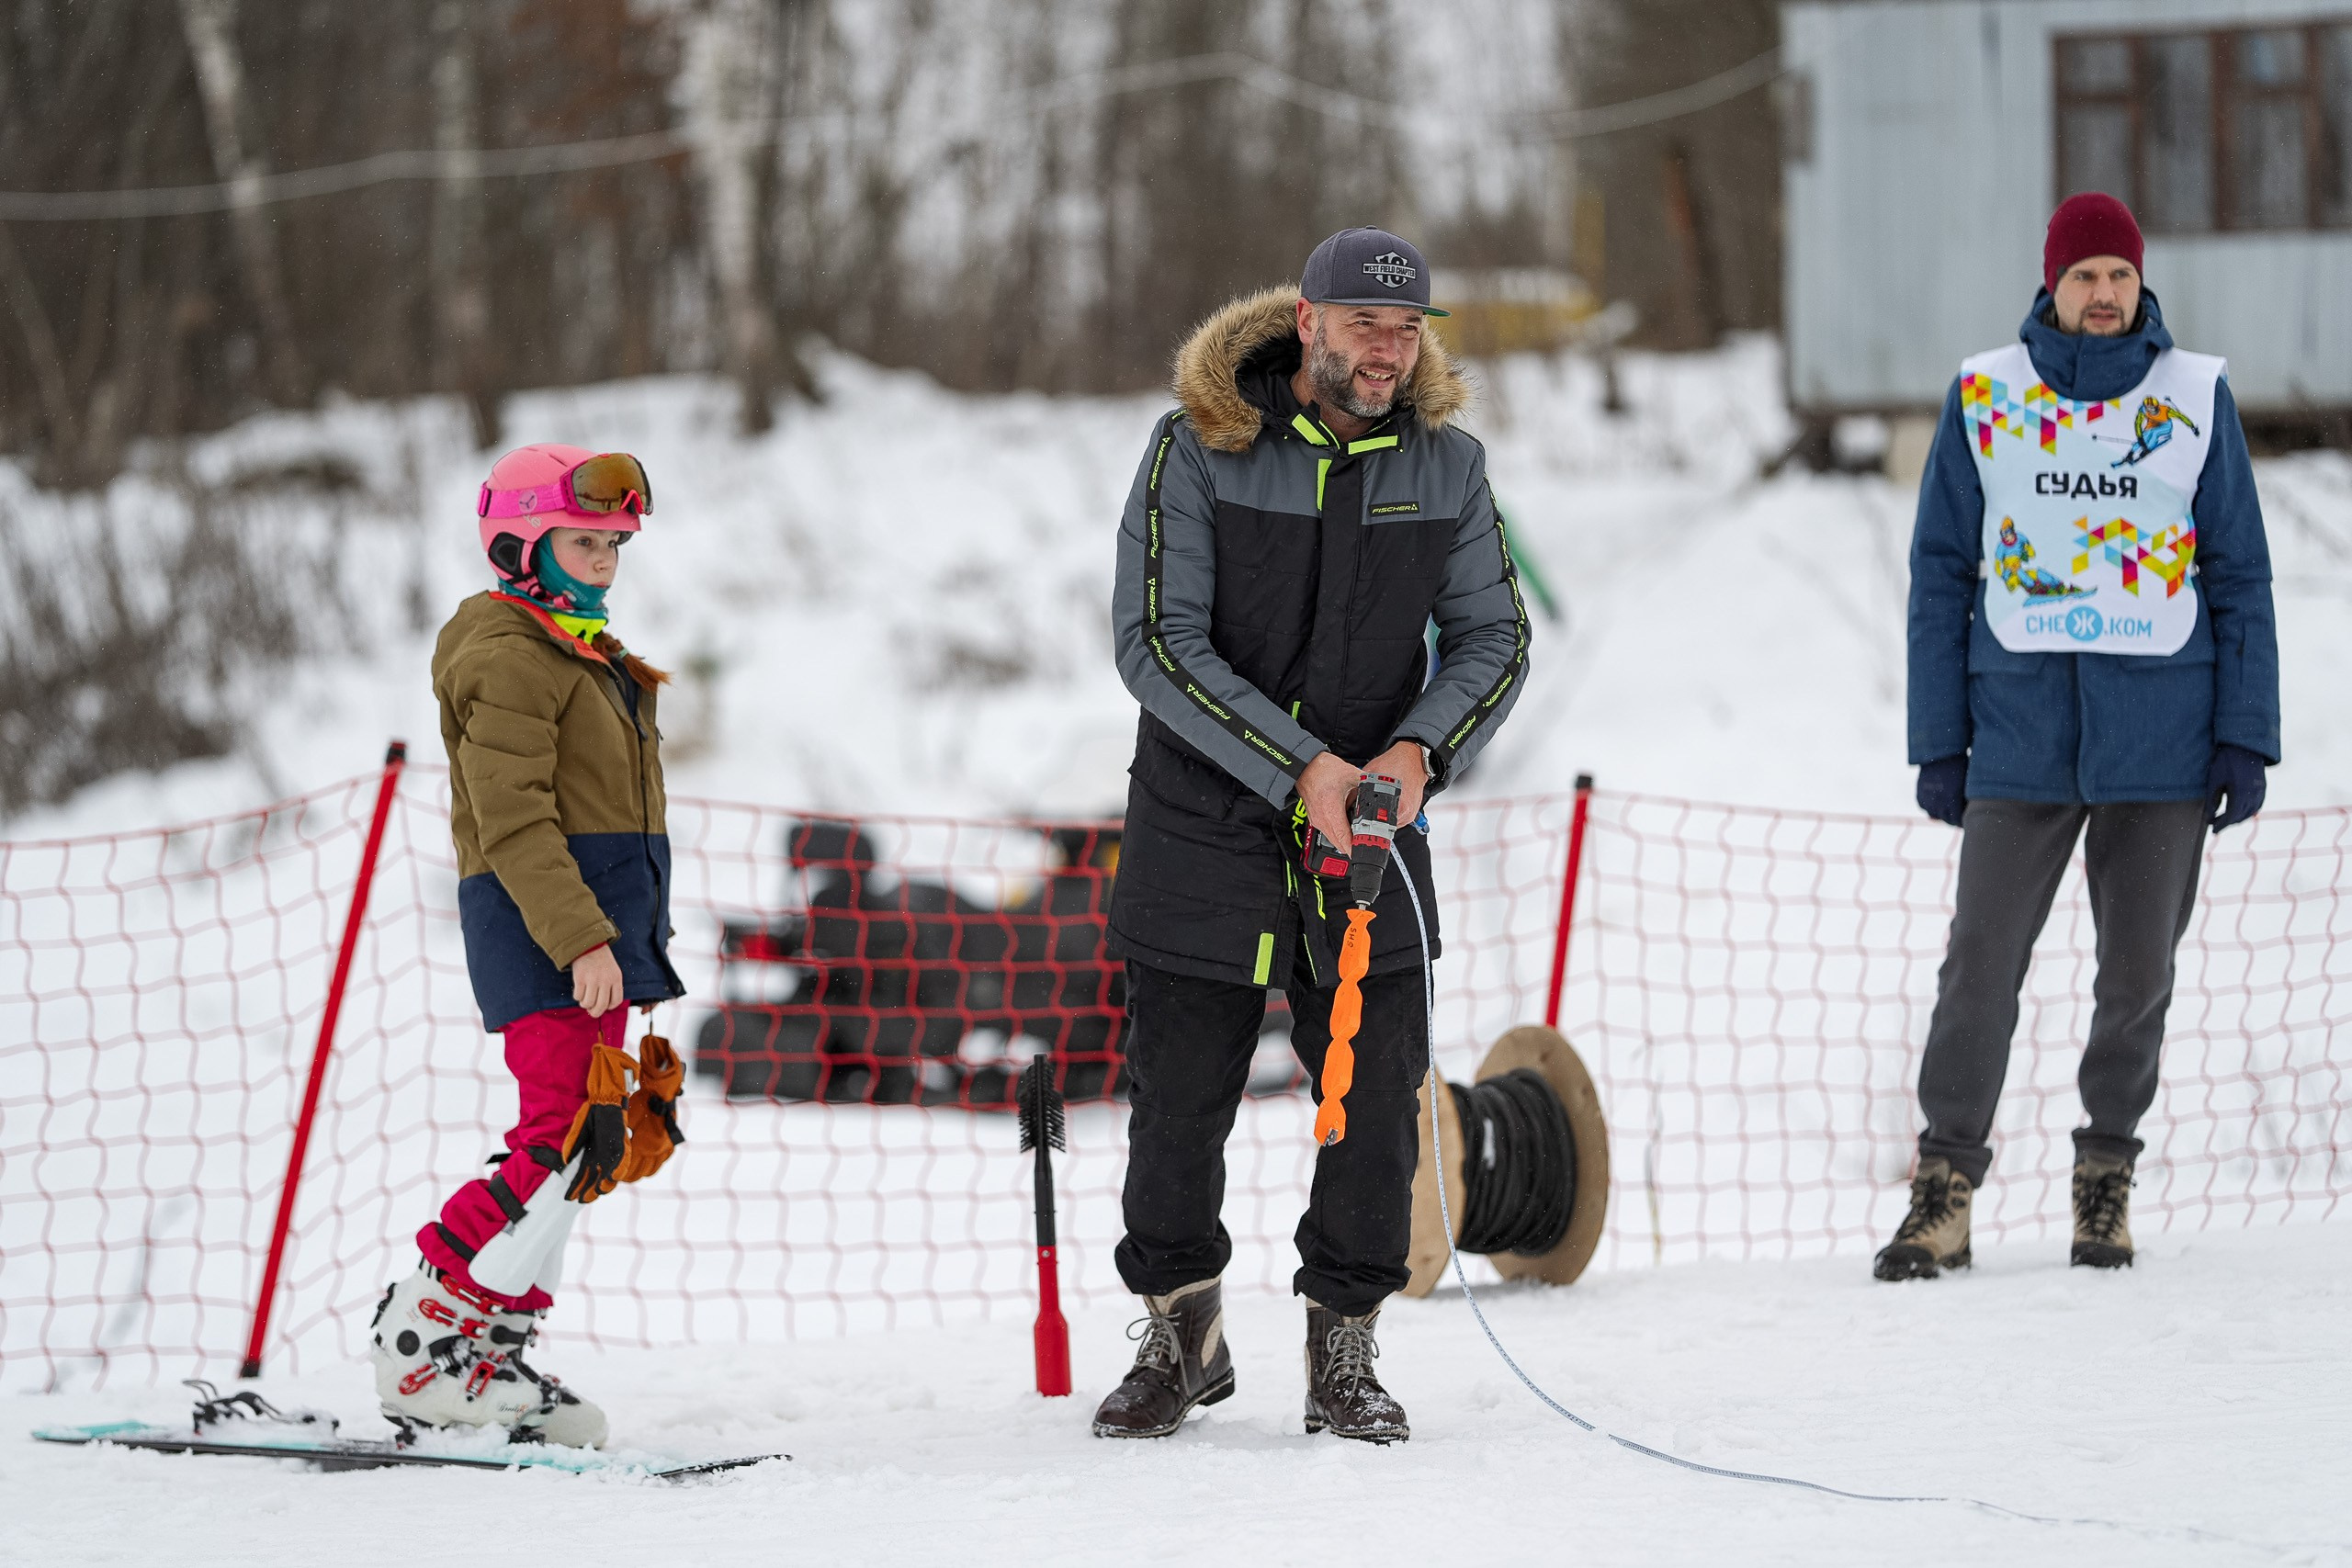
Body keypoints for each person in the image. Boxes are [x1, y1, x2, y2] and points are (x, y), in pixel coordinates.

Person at [1095, 229, 1531, 1441]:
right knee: (1178, 1104)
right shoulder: (1199, 444)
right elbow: (1157, 642)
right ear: (1306, 322)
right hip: (1202, 824)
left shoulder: (1449, 465)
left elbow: (1496, 641)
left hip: (1375, 833)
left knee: (1374, 1102)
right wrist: (1304, 771)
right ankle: (1182, 1333)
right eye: (1362, 325)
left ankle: (1346, 1349)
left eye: (1407, 329)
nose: (1388, 350)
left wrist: (1417, 752)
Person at [1880, 194, 2279, 1281]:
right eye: (2081, 276)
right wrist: (1940, 739)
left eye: (2116, 275)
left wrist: (2245, 735)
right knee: (1978, 968)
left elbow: (2238, 570)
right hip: (2017, 735)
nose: (2100, 295)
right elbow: (1938, 575)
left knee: (2136, 973)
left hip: (2164, 739)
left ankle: (2104, 1176)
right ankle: (1944, 1188)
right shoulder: (1987, 397)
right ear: (2049, 286)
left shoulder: (2194, 397)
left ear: (2138, 285)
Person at [368, 445, 688, 1443]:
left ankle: (491, 1348)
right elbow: (513, 821)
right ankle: (429, 1331)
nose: (601, 559)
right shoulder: (509, 652)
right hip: (547, 933)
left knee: (590, 1142)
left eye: (612, 544)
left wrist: (623, 941)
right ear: (518, 543)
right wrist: (587, 941)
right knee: (559, 1133)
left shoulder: (578, 648)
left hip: (593, 940)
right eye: (581, 540)